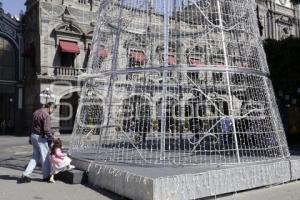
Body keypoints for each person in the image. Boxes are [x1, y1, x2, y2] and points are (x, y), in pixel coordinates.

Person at [20, 102, 57, 183]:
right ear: (50, 107)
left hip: (34, 135)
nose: (53, 111)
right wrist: (52, 138)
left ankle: (25, 175)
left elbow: (32, 125)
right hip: (41, 137)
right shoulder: (46, 115)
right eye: (53, 109)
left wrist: (30, 137)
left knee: (35, 157)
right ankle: (46, 176)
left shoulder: (36, 112)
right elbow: (46, 130)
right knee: (45, 157)